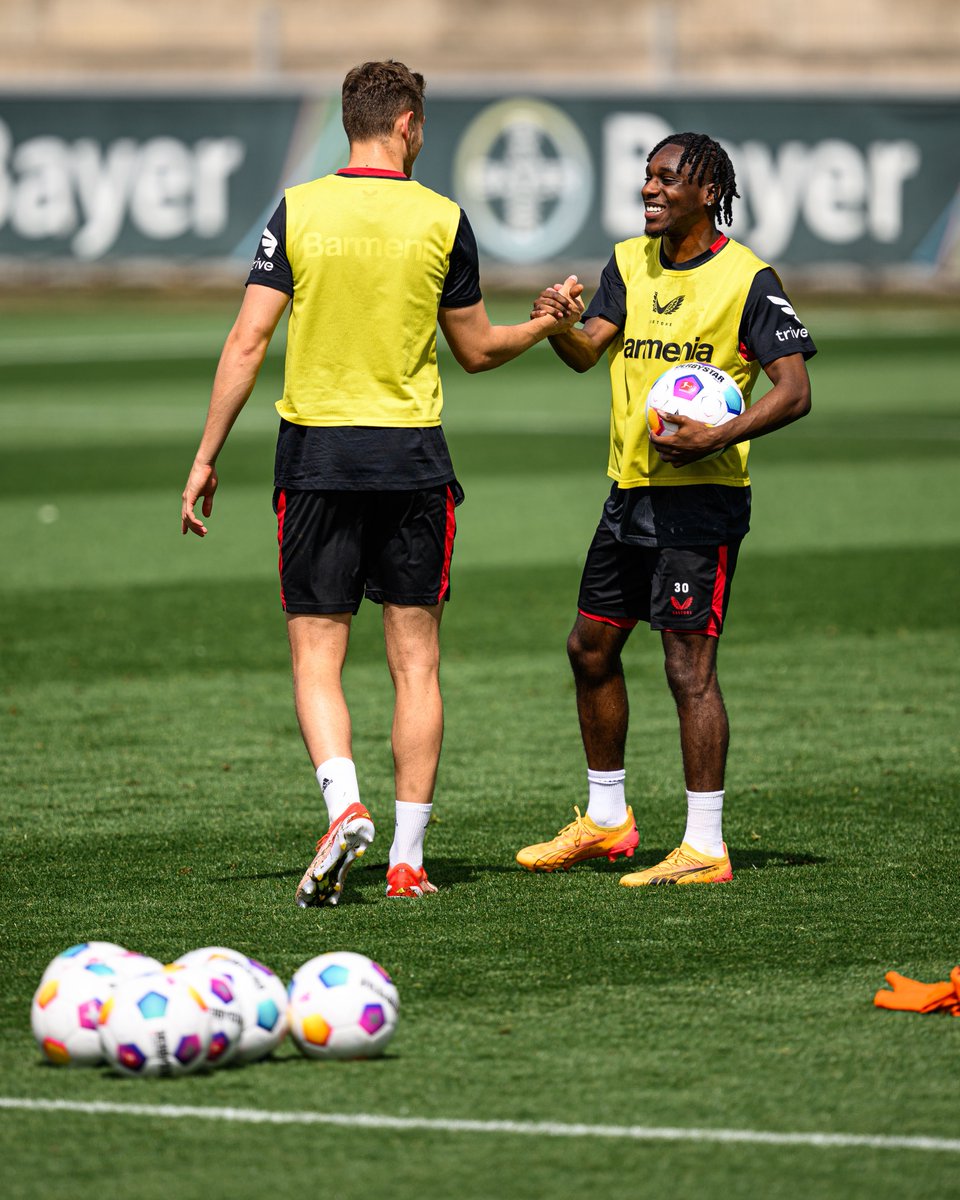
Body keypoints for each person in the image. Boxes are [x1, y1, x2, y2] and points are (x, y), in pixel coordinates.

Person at [181, 60, 582, 908]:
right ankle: (406, 858)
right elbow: (476, 351)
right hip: (412, 464)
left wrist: (207, 454)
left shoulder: (297, 209)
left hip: (318, 460)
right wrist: (547, 324)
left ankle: (342, 806)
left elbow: (249, 341)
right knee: (416, 662)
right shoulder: (444, 218)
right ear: (406, 122)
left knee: (317, 654)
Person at [516, 132, 815, 885]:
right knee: (590, 648)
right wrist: (557, 323)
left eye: (667, 179)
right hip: (629, 493)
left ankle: (706, 846)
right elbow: (590, 351)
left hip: (702, 503)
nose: (650, 189)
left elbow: (793, 391)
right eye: (646, 177)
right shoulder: (627, 262)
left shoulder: (747, 279)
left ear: (708, 192)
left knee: (688, 670)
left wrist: (720, 432)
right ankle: (608, 820)